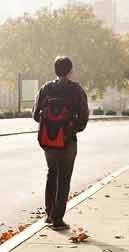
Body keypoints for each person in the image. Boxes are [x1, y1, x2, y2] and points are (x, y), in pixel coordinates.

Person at [33, 56, 89, 230]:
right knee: (64, 178)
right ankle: (58, 219)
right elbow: (84, 117)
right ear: (71, 71)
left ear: (55, 70)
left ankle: (49, 215)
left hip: (48, 140)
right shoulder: (76, 90)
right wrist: (71, 130)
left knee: (52, 173)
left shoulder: (46, 88)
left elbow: (36, 115)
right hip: (67, 141)